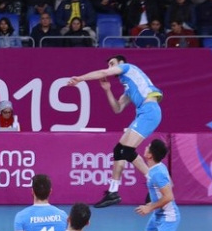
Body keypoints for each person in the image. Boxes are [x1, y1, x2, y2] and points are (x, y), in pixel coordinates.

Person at [68, 55, 163, 208]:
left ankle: (155, 184)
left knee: (126, 150)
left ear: (121, 63)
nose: (110, 67)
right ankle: (113, 192)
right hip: (144, 113)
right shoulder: (128, 87)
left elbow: (102, 73)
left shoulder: (128, 67)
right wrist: (107, 90)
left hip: (150, 111)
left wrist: (80, 78)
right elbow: (117, 109)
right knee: (119, 150)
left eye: (112, 64)